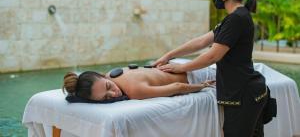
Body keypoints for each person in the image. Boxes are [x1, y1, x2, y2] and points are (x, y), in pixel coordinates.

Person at [153, 0, 267, 137]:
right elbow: (201, 42)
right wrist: (169, 55)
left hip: (243, 94)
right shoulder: (234, 18)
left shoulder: (237, 19)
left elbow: (213, 56)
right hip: (246, 91)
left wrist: (181, 68)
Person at [63, 66, 215, 101]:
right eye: (106, 98)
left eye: (108, 87)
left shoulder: (135, 91)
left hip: (198, 75)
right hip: (188, 67)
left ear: (102, 76)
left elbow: (178, 88)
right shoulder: (111, 74)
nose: (113, 93)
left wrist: (203, 85)